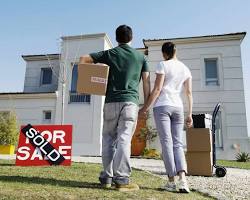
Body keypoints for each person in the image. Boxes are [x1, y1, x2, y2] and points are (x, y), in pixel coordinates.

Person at [79, 25, 150, 191]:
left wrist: (84, 81)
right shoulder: (140, 57)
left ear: (117, 38)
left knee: (108, 139)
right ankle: (122, 179)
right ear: (131, 38)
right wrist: (146, 105)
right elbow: (146, 82)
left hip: (111, 102)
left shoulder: (110, 53)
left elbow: (84, 58)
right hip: (130, 103)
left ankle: (107, 177)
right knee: (124, 138)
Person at [139, 42, 193, 193]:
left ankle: (171, 181)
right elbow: (188, 93)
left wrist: (145, 108)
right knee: (178, 143)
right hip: (178, 107)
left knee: (167, 143)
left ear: (165, 53)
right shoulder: (185, 68)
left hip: (162, 106)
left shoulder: (163, 65)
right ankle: (183, 180)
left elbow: (157, 89)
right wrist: (189, 114)